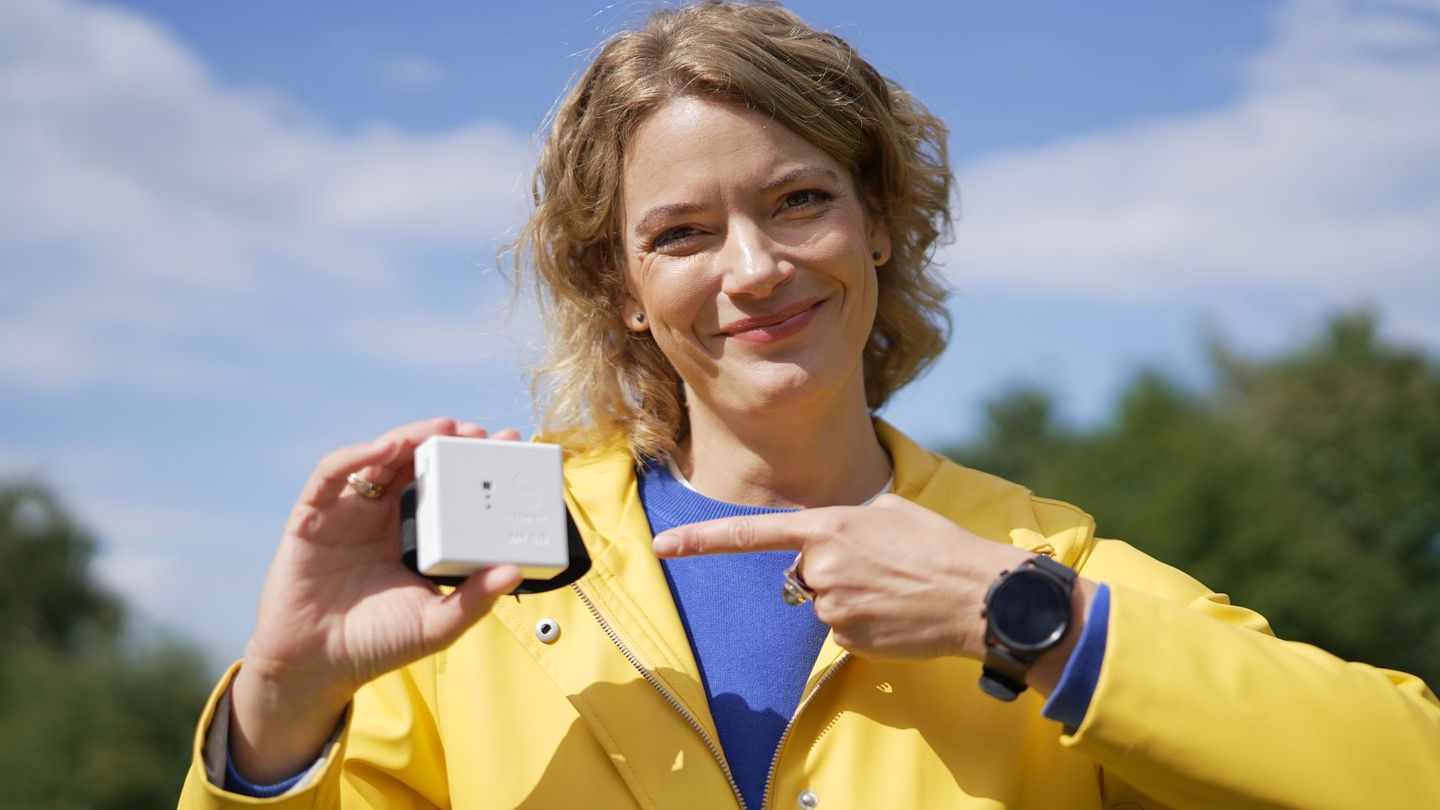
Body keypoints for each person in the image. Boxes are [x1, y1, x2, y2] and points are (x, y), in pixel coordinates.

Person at [179, 2, 1440, 808]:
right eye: (679, 231)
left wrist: (1021, 623)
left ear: (879, 222)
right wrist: (278, 711)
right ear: (617, 287)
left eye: (797, 201)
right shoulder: (473, 600)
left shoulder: (1033, 560)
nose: (753, 270)